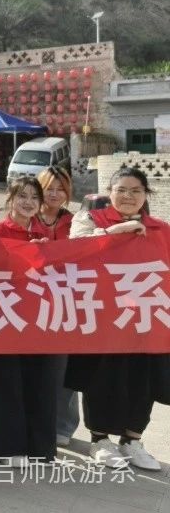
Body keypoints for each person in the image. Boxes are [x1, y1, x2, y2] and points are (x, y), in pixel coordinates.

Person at [66, 167, 168, 472]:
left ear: (146, 195)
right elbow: (73, 250)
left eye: (136, 191)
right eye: (121, 189)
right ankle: (100, 440)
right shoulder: (89, 220)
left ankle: (133, 439)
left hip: (147, 320)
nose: (128, 196)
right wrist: (113, 233)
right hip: (102, 317)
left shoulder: (161, 228)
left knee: (143, 380)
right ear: (109, 192)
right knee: (101, 378)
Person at [0, 176, 59, 467]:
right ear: (10, 198)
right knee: (7, 383)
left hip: (40, 321)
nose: (28, 202)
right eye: (22, 196)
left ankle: (41, 448)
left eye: (34, 197)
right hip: (5, 318)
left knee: (41, 383)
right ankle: (7, 448)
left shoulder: (47, 235)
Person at [36, 167, 79, 446]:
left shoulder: (76, 222)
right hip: (30, 305)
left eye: (61, 189)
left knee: (65, 368)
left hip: (67, 303)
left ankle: (63, 424)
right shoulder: (26, 218)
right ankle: (34, 419)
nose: (54, 194)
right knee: (33, 367)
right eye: (49, 187)